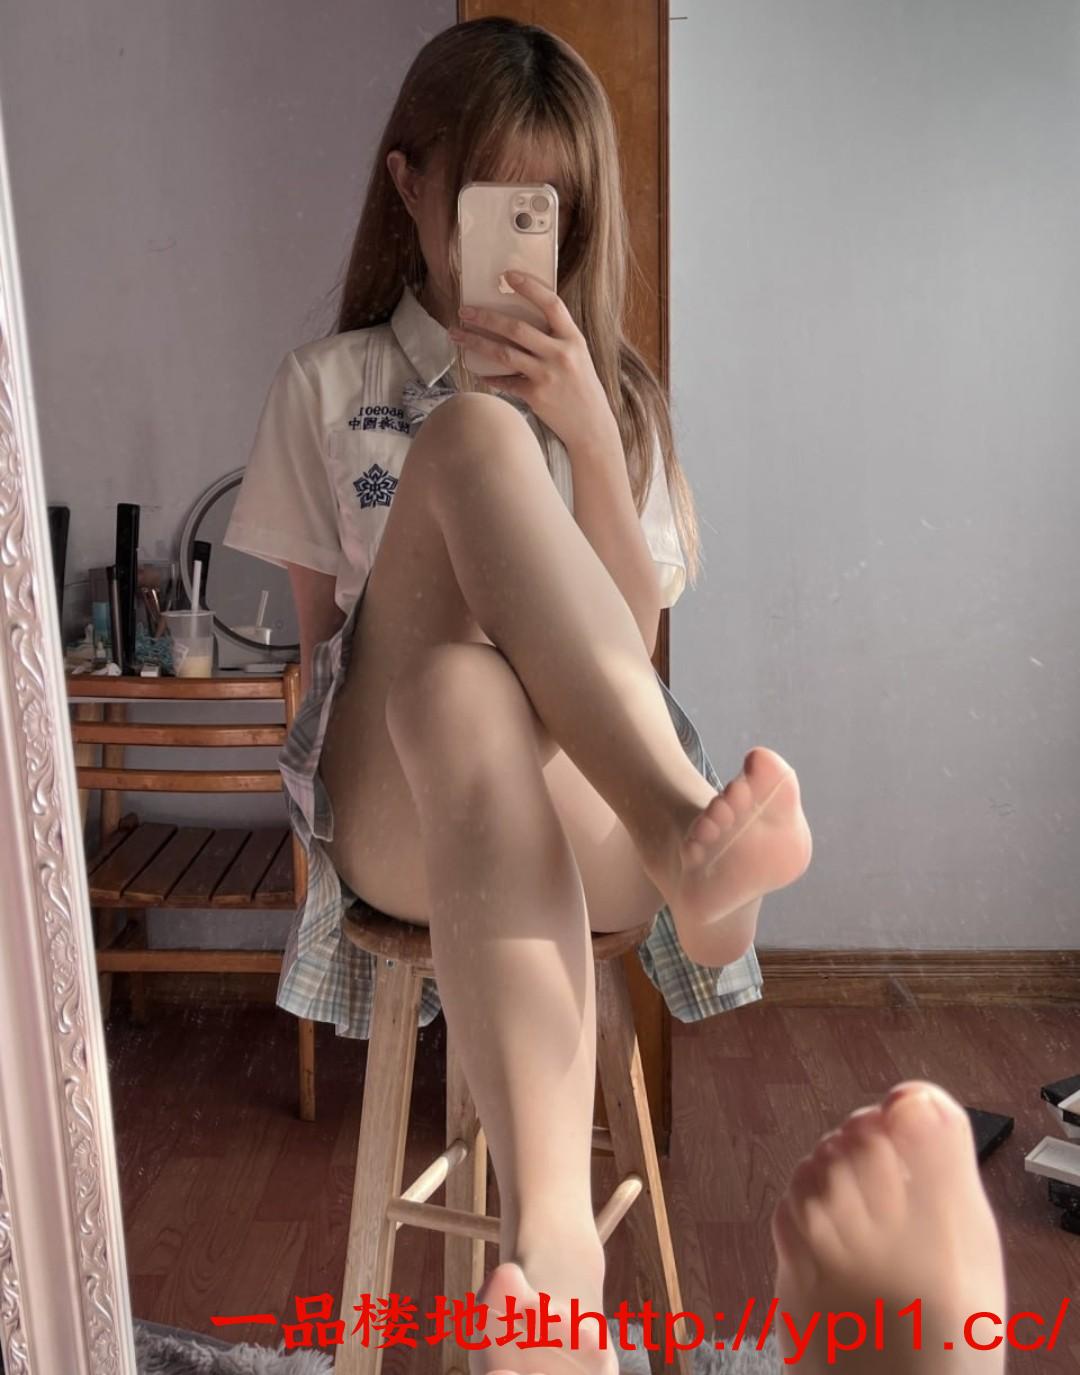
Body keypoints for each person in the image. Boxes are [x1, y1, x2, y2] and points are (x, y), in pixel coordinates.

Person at [224, 17, 813, 1374]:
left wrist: (591, 435)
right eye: (497, 198)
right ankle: (693, 845)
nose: (523, 235)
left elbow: (634, 644)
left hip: (588, 803)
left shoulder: (621, 402)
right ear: (412, 184)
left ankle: (552, 1271)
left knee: (467, 698)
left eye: (550, 207)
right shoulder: (326, 389)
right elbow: (324, 661)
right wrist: (475, 476)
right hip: (396, 811)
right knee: (451, 604)